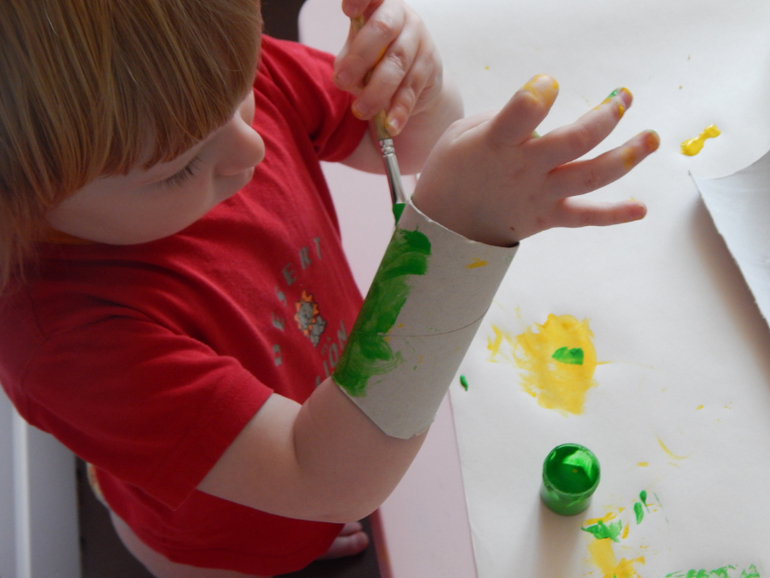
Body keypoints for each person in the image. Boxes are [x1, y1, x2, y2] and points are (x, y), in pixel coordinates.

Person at [0, 0, 658, 576]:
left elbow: (408, 145)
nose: (252, 148)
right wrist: (456, 243)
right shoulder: (64, 342)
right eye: (177, 170)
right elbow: (324, 477)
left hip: (333, 432)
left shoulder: (197, 89)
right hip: (216, 540)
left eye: (242, 90)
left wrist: (418, 86)